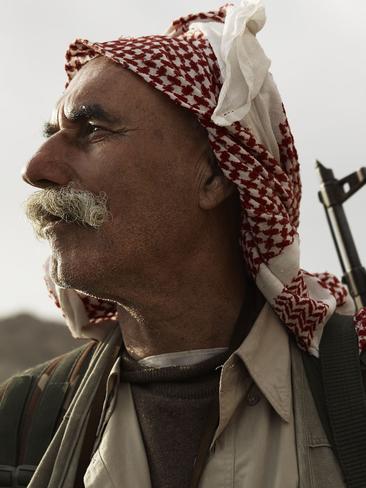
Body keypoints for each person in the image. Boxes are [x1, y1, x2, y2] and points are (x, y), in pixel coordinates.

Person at [3, 1, 366, 487]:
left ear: (215, 175)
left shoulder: (351, 384)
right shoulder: (24, 417)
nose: (35, 167)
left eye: (91, 129)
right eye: (53, 133)